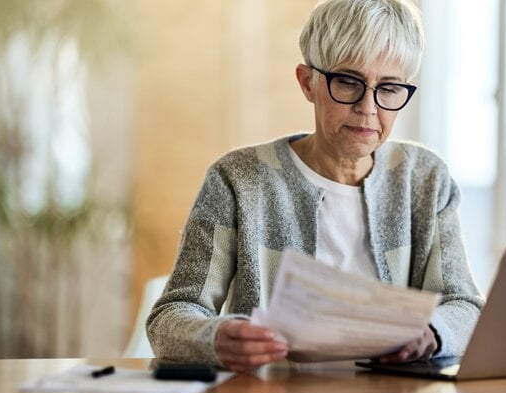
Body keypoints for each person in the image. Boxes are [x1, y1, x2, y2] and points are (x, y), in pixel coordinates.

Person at [146, 0, 484, 373]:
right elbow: (169, 318)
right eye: (348, 82)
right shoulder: (238, 180)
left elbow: (464, 305)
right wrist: (215, 337)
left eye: (388, 88)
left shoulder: (425, 179)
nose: (368, 107)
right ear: (308, 82)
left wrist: (434, 332)